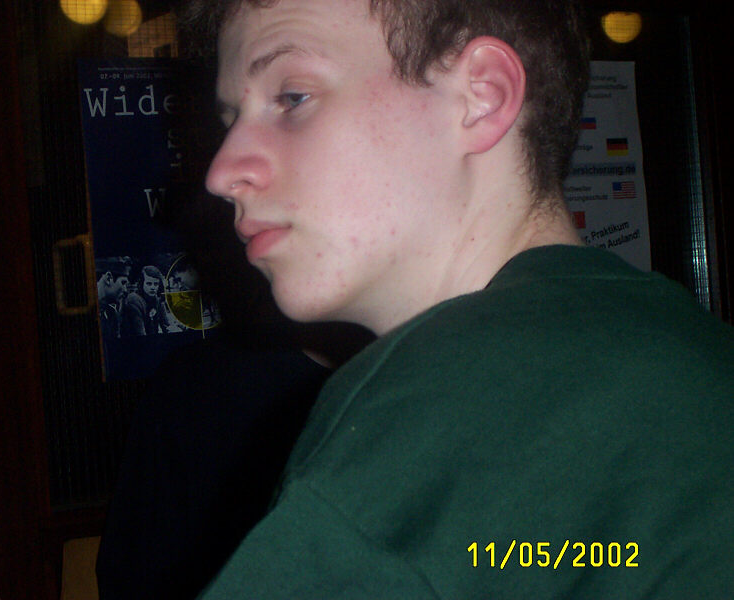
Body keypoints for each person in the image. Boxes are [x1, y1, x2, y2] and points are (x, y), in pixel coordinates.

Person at [173, 0, 734, 597]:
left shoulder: (423, 423)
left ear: (481, 96)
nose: (221, 172)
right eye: (231, 119)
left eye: (292, 98)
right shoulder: (696, 355)